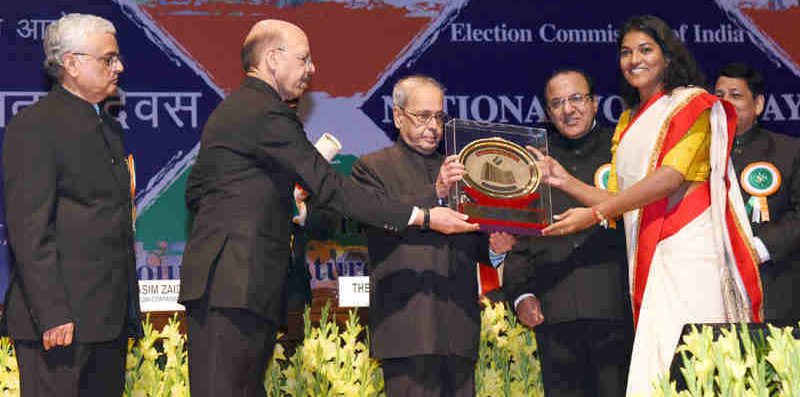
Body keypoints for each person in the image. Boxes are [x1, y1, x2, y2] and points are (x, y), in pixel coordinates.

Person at [178, 20, 478, 397]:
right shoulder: (265, 111)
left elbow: (198, 192)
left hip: (234, 284)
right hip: (233, 284)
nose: (311, 69)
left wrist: (276, 201)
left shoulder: (238, 109)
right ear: (273, 58)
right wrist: (422, 215)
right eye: (304, 58)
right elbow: (329, 185)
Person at [535, 15, 762, 396]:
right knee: (658, 365)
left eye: (645, 49)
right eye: (626, 52)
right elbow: (625, 202)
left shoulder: (693, 106)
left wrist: (593, 214)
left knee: (695, 361)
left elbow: (670, 178)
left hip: (690, 253)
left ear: (667, 56)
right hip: (649, 257)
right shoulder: (627, 121)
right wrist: (565, 181)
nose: (634, 59)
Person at [2, 13, 142, 396]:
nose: (120, 67)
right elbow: (29, 230)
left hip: (106, 321)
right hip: (60, 323)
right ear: (72, 63)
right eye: (108, 59)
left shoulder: (109, 130)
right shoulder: (35, 127)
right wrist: (53, 313)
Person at [350, 75, 514, 397]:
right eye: (422, 116)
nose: (433, 126)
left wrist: (495, 249)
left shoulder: (461, 169)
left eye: (439, 117)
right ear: (398, 116)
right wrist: (436, 192)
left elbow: (472, 239)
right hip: (407, 329)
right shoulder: (371, 168)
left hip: (460, 329)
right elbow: (378, 219)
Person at [503, 69, 633, 396]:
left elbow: (644, 217)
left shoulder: (623, 150)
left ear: (594, 103)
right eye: (557, 103)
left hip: (618, 311)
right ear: (548, 112)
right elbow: (519, 236)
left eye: (576, 99)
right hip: (554, 314)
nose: (568, 109)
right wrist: (521, 293)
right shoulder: (533, 159)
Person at [715, 62, 800, 324]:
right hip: (714, 288)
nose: (725, 102)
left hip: (774, 284)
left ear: (759, 104)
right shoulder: (698, 154)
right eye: (718, 96)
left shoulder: (789, 150)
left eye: (736, 95)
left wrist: (759, 248)